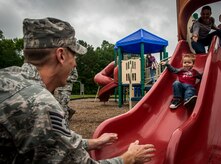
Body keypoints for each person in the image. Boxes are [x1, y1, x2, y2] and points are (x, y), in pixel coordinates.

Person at [0, 17, 156, 163]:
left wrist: (93, 143)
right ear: (61, 55)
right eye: (74, 56)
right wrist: (127, 158)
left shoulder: (7, 78)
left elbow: (47, 138)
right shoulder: (41, 105)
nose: (75, 64)